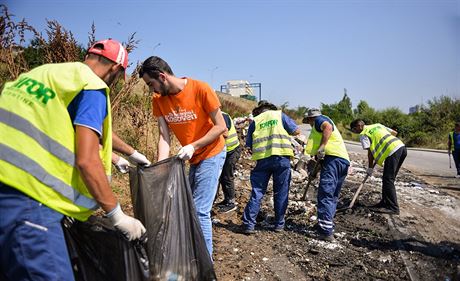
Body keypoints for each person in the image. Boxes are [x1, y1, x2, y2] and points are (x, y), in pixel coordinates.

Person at [0, 39, 147, 280]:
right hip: (31, 202)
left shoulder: (44, 73)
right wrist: (117, 215)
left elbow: (57, 129)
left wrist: (129, 153)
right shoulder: (92, 86)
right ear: (114, 69)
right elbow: (86, 161)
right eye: (120, 76)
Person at [139, 56, 227, 257]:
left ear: (162, 77)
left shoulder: (200, 89)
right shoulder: (158, 99)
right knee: (188, 208)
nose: (151, 89)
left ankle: (206, 267)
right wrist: (161, 168)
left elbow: (221, 127)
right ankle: (194, 256)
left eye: (151, 84)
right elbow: (164, 135)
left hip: (212, 152)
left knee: (199, 210)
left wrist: (193, 146)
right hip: (192, 157)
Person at [242, 100, 300, 234]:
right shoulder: (279, 115)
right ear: (270, 108)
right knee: (281, 191)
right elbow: (296, 131)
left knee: (257, 191)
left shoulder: (255, 121)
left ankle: (249, 225)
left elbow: (249, 145)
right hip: (281, 158)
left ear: (260, 110)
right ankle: (279, 225)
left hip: (263, 160)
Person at [303, 108, 350, 242]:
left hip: (333, 160)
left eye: (309, 122)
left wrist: (322, 146)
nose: (310, 125)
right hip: (342, 161)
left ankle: (325, 231)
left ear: (312, 119)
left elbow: (327, 127)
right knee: (332, 196)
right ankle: (325, 224)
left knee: (325, 194)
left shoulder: (320, 120)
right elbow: (319, 160)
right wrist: (314, 173)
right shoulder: (321, 124)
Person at [350, 119, 407, 215]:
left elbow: (370, 152)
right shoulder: (377, 125)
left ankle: (393, 207)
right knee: (389, 179)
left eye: (354, 129)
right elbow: (394, 133)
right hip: (401, 147)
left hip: (392, 152)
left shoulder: (363, 134)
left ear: (359, 126)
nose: (354, 132)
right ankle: (385, 203)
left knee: (388, 179)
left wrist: (370, 167)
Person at [215, 111, 242, 213]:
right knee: (220, 176)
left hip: (232, 151)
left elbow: (224, 133)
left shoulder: (221, 115)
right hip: (224, 151)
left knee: (226, 176)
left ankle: (231, 202)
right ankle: (226, 200)